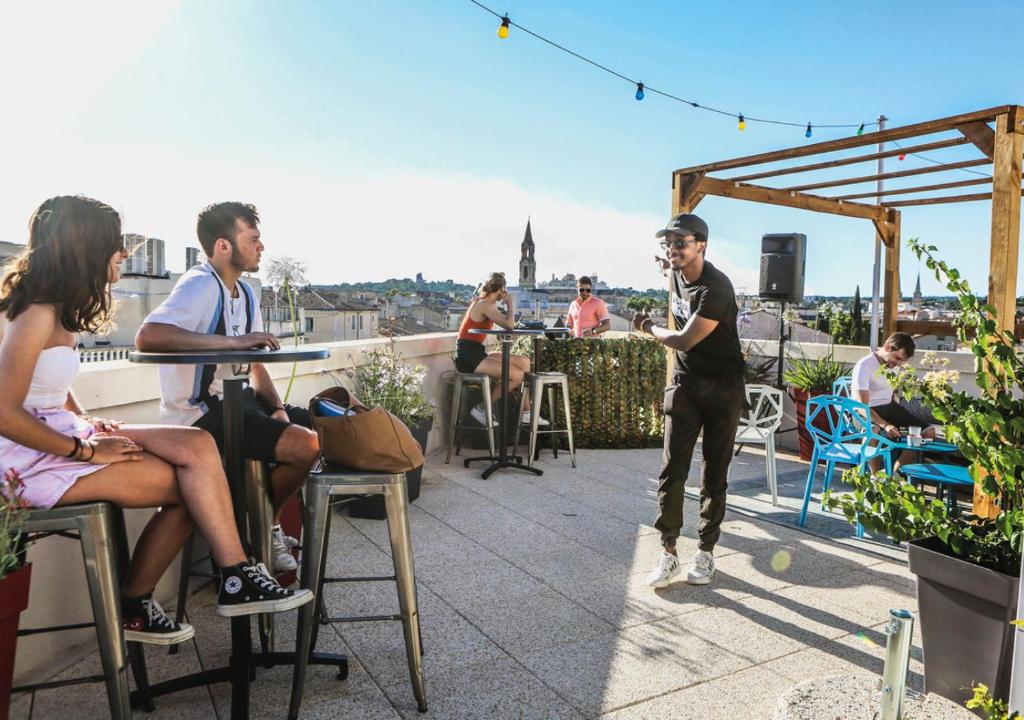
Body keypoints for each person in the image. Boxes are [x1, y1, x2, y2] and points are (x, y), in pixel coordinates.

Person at [0, 196, 312, 646]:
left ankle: (233, 576)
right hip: (26, 458)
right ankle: (161, 596)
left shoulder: (53, 307)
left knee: (195, 447)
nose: (122, 254)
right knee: (195, 483)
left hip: (61, 432)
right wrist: (86, 449)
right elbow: (7, 412)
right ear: (82, 246)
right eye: (114, 243)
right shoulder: (36, 312)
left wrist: (85, 421)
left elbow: (44, 388)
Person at [135, 202, 319, 574]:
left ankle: (258, 528)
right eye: (252, 239)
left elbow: (253, 363)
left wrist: (277, 406)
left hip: (240, 404)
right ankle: (263, 530)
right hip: (200, 416)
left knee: (320, 426)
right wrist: (233, 343)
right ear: (223, 246)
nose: (261, 247)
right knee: (305, 445)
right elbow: (148, 335)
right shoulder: (200, 284)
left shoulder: (247, 292)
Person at [632, 213, 746, 588]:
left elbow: (682, 340)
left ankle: (706, 552)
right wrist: (668, 264)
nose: (672, 248)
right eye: (668, 242)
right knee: (671, 470)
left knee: (714, 473)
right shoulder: (677, 271)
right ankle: (668, 553)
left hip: (723, 387)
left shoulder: (717, 288)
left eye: (680, 242)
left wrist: (648, 327)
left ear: (702, 245)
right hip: (685, 384)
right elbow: (672, 268)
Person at [454, 272, 544, 427]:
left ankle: (526, 412)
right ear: (501, 289)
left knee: (524, 362)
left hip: (477, 351)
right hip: (468, 356)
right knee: (516, 375)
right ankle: (481, 408)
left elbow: (503, 328)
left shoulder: (487, 304)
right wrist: (510, 303)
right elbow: (509, 325)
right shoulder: (484, 305)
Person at [852, 332, 938, 467]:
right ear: (887, 347)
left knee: (928, 432)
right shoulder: (865, 365)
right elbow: (862, 405)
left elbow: (891, 394)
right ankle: (877, 479)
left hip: (888, 407)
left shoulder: (894, 366)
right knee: (873, 431)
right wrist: (885, 425)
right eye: (897, 358)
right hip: (864, 411)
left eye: (902, 361)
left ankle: (894, 475)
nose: (898, 364)